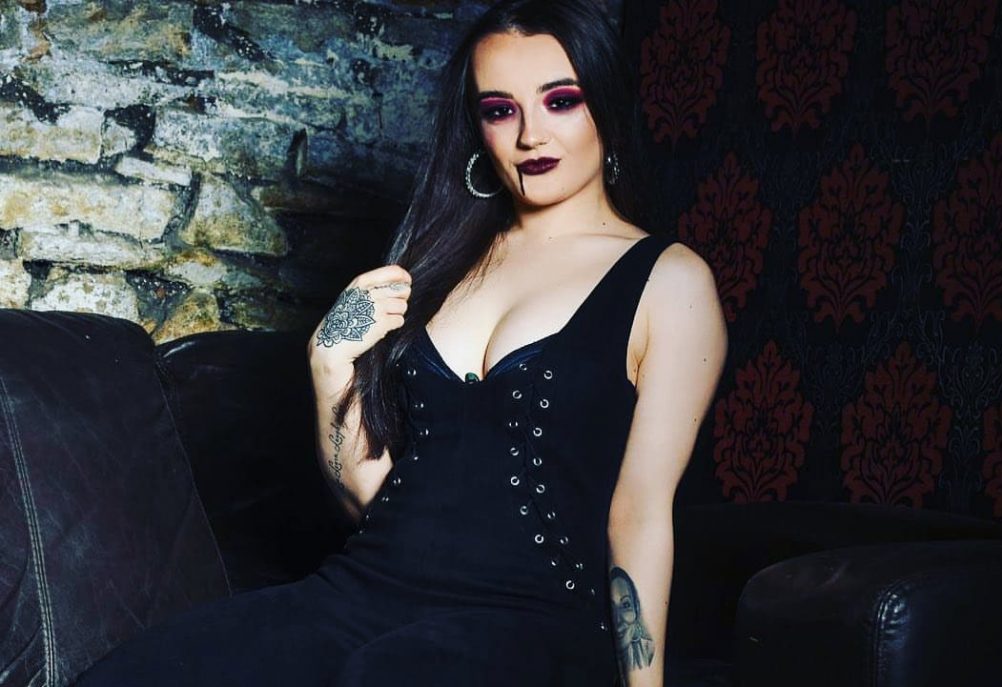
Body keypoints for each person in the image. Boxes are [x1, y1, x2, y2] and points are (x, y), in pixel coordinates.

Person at [78, 1, 726, 685]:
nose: (531, 134)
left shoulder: (669, 281)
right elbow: (371, 501)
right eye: (500, 110)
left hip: (533, 620)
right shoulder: (438, 262)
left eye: (560, 101)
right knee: (135, 673)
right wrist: (329, 364)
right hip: (365, 592)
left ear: (605, 105)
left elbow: (640, 513)